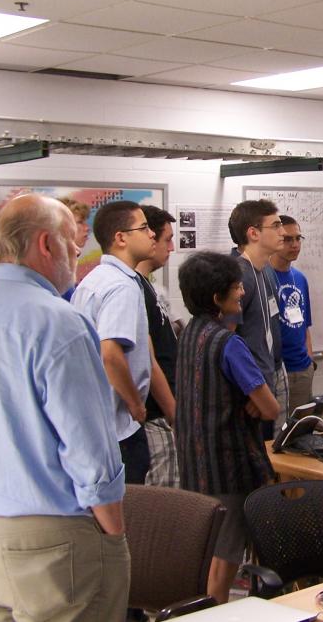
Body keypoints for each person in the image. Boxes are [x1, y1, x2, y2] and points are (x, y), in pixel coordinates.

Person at [0, 194, 129, 621]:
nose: (75, 264)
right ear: (46, 245)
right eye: (74, 251)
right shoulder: (59, 321)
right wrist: (113, 531)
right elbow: (88, 443)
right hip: (55, 535)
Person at [174, 251, 279, 604]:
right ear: (218, 299)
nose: (242, 294)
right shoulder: (229, 344)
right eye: (236, 288)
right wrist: (251, 401)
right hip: (229, 467)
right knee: (227, 556)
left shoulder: (190, 333)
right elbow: (270, 406)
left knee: (209, 551)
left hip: (195, 462)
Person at [72, 200, 175, 485]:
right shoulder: (121, 287)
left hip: (98, 422)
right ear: (120, 238)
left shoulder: (96, 279)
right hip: (120, 428)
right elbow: (111, 354)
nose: (152, 234)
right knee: (134, 512)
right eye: (144, 228)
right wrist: (135, 405)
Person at [228, 199, 289, 427]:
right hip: (254, 387)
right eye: (275, 226)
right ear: (253, 233)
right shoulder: (239, 274)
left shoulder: (266, 270)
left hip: (273, 372)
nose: (282, 232)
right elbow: (226, 338)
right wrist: (252, 387)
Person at [136, 204, 180, 488]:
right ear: (150, 239)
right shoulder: (133, 288)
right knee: (164, 503)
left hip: (161, 416)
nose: (172, 248)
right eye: (167, 239)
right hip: (155, 417)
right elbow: (146, 361)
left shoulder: (148, 286)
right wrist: (174, 413)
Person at [269, 214, 316, 412]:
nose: (295, 244)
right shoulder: (265, 277)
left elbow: (304, 324)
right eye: (288, 239)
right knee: (276, 436)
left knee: (300, 432)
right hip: (277, 370)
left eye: (298, 238)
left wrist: (310, 362)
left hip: (302, 368)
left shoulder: (300, 278)